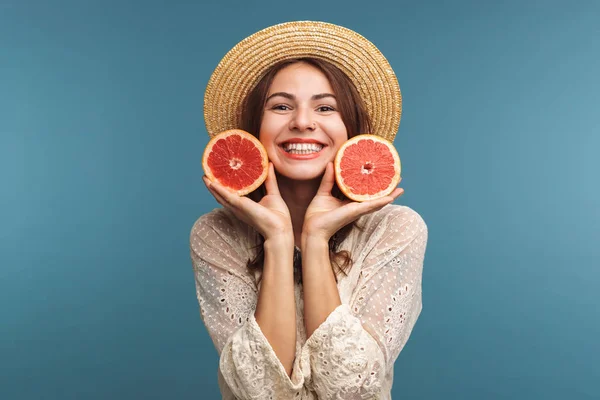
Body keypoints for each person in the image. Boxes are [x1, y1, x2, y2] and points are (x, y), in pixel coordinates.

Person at [190, 21, 428, 400]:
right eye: (281, 106)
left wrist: (315, 239)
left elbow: (351, 391)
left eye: (325, 107)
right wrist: (280, 240)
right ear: (255, 127)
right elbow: (259, 392)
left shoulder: (396, 227)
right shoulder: (216, 233)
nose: (302, 122)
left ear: (351, 129)